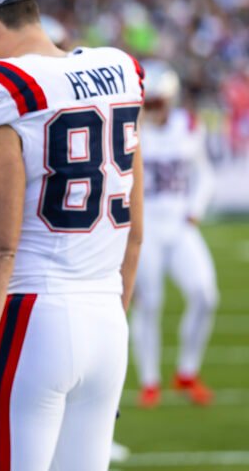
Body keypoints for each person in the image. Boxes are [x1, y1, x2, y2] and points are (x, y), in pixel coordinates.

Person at [0, 0, 144, 470]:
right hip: (108, 320)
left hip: (33, 316)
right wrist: (113, 318)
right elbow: (135, 230)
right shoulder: (119, 69)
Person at [130, 59, 218, 408]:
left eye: (158, 102)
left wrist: (195, 209)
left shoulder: (189, 125)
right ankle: (149, 381)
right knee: (149, 304)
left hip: (180, 224)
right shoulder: (131, 129)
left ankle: (187, 372)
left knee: (205, 295)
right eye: (148, 102)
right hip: (147, 226)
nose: (153, 109)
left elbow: (204, 173)